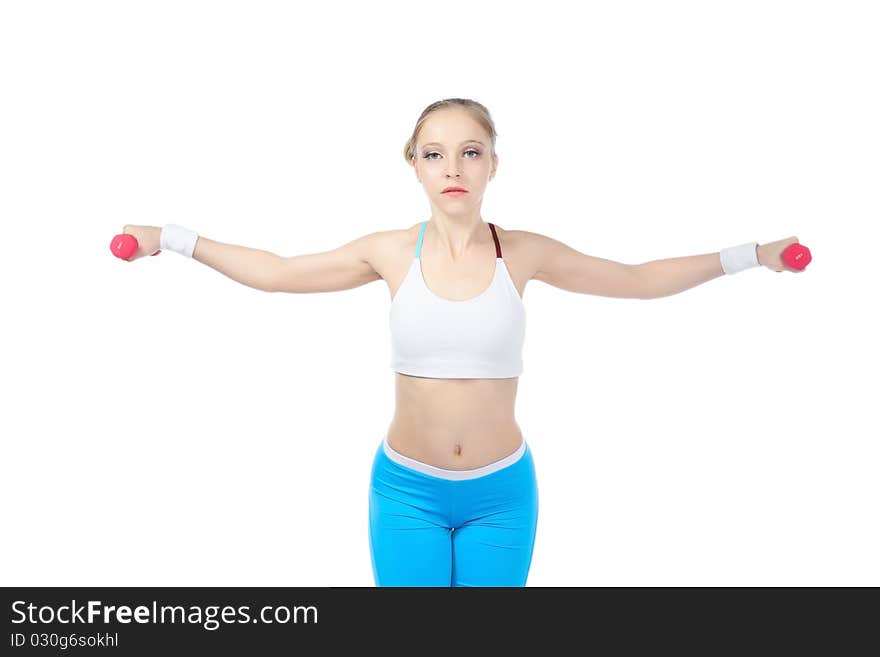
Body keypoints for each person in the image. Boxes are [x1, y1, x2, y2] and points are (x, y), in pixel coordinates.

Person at [117, 97, 804, 587]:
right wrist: (171, 240)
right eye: (435, 153)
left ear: (492, 166)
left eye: (470, 152)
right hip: (408, 491)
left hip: (501, 494)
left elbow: (638, 279)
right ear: (414, 165)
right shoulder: (389, 253)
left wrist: (754, 255)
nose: (454, 166)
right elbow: (277, 272)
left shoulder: (523, 253)